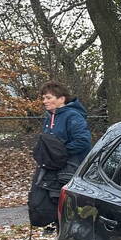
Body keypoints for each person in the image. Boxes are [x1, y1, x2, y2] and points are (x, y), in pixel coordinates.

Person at [28, 83, 92, 229]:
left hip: (70, 170)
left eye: (48, 97)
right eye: (43, 98)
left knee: (68, 211)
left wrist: (59, 153)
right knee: (48, 206)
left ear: (61, 99)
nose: (44, 101)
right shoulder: (49, 117)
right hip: (53, 171)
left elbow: (83, 141)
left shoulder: (72, 116)